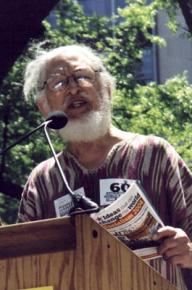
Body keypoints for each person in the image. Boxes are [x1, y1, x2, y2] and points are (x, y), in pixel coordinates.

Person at [18, 44, 192, 289]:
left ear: (108, 88)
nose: (73, 88)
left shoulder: (155, 154)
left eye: (82, 76)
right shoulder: (43, 180)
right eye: (58, 83)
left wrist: (188, 251)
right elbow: (23, 267)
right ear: (44, 106)